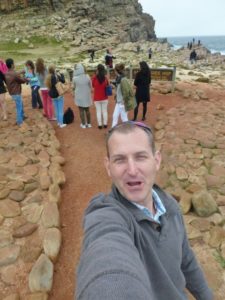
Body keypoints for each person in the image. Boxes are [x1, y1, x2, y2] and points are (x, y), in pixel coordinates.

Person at [76, 121, 213, 300]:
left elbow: (186, 259)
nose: (132, 170)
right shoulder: (107, 215)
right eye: (120, 159)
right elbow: (106, 251)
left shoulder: (170, 205)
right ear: (108, 167)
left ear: (156, 161)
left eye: (140, 157)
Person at [4, 58, 28, 126]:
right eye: (14, 63)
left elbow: (14, 75)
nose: (14, 64)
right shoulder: (14, 73)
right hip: (16, 92)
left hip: (11, 92)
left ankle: (22, 116)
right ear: (12, 65)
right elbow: (22, 80)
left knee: (20, 104)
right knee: (19, 107)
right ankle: (19, 121)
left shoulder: (6, 73)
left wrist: (20, 72)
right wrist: (26, 79)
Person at [72, 63, 92, 128]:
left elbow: (73, 87)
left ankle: (83, 124)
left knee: (81, 110)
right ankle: (89, 123)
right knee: (87, 109)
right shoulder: (87, 76)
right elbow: (90, 86)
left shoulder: (74, 78)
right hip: (86, 94)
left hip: (79, 95)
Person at [92, 64, 110, 129]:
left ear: (98, 70)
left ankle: (99, 125)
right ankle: (105, 124)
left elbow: (93, 85)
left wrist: (95, 75)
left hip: (97, 98)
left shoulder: (94, 78)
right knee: (104, 111)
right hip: (104, 97)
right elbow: (107, 85)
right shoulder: (105, 78)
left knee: (98, 111)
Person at [111, 63, 129, 127]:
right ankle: (113, 130)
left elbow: (126, 91)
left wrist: (123, 101)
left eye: (115, 71)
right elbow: (119, 88)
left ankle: (128, 132)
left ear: (117, 71)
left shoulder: (123, 79)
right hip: (119, 101)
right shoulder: (119, 78)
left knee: (124, 118)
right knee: (115, 116)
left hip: (122, 102)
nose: (114, 72)